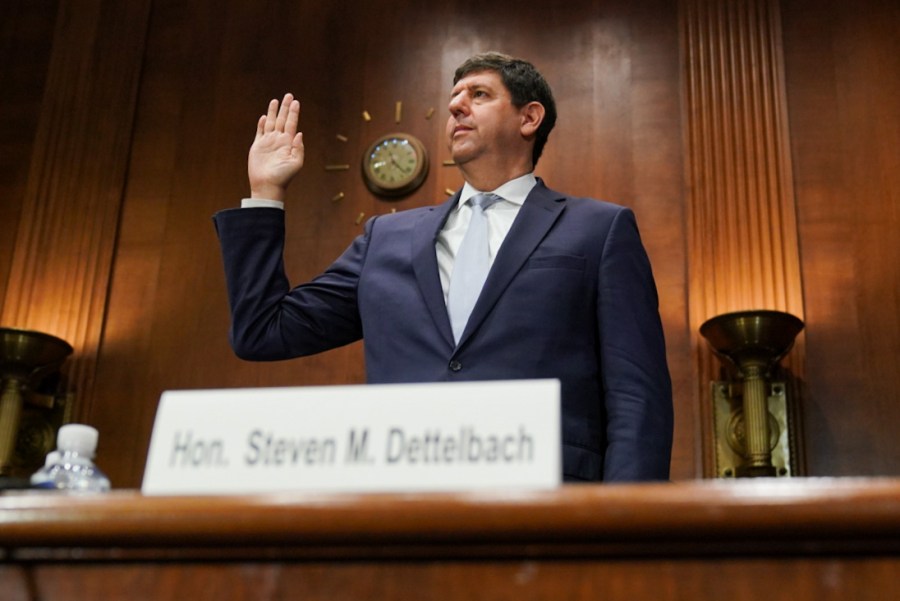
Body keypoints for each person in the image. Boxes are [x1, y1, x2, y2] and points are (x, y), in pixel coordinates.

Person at [214, 52, 673, 482]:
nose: (456, 107)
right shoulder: (385, 239)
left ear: (529, 118)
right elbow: (263, 330)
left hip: (549, 505)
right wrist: (265, 192)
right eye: (453, 97)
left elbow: (637, 396)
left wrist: (626, 526)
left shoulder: (598, 229)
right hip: (402, 504)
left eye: (478, 94)